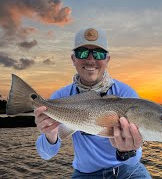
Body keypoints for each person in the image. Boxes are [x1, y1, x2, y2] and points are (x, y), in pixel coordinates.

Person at [34, 27, 152, 178]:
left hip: (125, 170)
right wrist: (50, 135)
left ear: (107, 59)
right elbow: (45, 154)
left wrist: (126, 151)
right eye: (82, 53)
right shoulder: (60, 97)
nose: (90, 60)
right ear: (73, 59)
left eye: (99, 54)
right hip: (85, 173)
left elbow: (133, 161)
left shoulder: (126, 94)